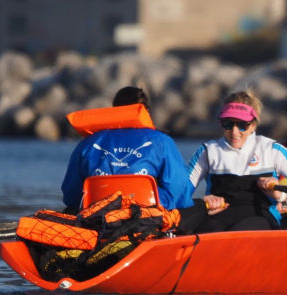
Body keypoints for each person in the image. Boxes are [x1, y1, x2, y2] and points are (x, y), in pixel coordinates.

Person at [184, 90, 287, 232]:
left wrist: (280, 195)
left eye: (242, 125)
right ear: (221, 123)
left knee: (243, 229)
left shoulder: (272, 150)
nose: (235, 132)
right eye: (228, 124)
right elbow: (178, 194)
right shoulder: (208, 151)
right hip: (217, 219)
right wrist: (202, 203)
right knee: (207, 227)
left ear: (253, 125)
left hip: (260, 220)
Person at [60, 86, 192, 211]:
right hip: (149, 219)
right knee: (200, 207)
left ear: (114, 110)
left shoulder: (88, 144)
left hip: (97, 217)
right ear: (146, 112)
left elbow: (71, 195)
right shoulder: (162, 141)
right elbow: (180, 191)